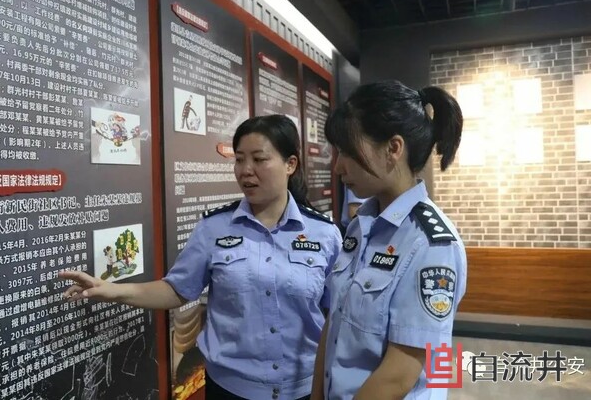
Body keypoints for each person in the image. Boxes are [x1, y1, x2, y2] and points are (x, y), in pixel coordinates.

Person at [60, 114, 341, 400]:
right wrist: (111, 290)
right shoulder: (214, 227)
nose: (246, 170)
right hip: (229, 389)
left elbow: (339, 311)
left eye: (259, 159)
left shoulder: (325, 234)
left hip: (305, 389)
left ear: (290, 164)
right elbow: (177, 289)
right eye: (239, 160)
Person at [311, 81, 467, 400]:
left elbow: (400, 374)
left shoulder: (431, 244)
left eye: (348, 151)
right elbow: (334, 322)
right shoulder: (361, 226)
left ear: (393, 149)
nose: (338, 166)